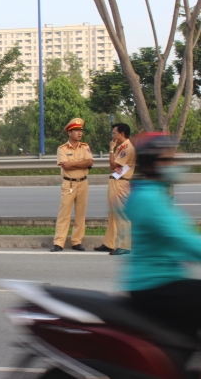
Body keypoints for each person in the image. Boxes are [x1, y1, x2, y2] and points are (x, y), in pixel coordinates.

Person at [122, 133, 201, 340]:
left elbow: (181, 238)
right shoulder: (149, 198)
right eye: (167, 160)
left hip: (164, 280)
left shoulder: (155, 192)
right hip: (154, 285)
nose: (173, 164)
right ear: (150, 165)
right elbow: (182, 239)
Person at [50, 118, 94, 252]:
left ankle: (77, 241)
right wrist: (82, 163)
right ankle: (59, 242)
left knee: (81, 214)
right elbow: (65, 166)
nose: (79, 133)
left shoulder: (85, 147)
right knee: (64, 213)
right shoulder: (62, 149)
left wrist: (73, 164)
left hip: (83, 182)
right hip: (69, 183)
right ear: (69, 133)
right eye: (76, 131)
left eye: (80, 130)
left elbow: (90, 163)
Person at [95, 123, 136, 255]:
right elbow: (112, 167)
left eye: (114, 133)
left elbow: (113, 165)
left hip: (121, 183)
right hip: (115, 180)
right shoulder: (123, 147)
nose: (112, 136)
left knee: (121, 215)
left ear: (122, 134)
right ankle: (109, 243)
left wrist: (111, 149)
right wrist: (113, 162)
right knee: (112, 214)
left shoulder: (127, 148)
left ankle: (125, 246)